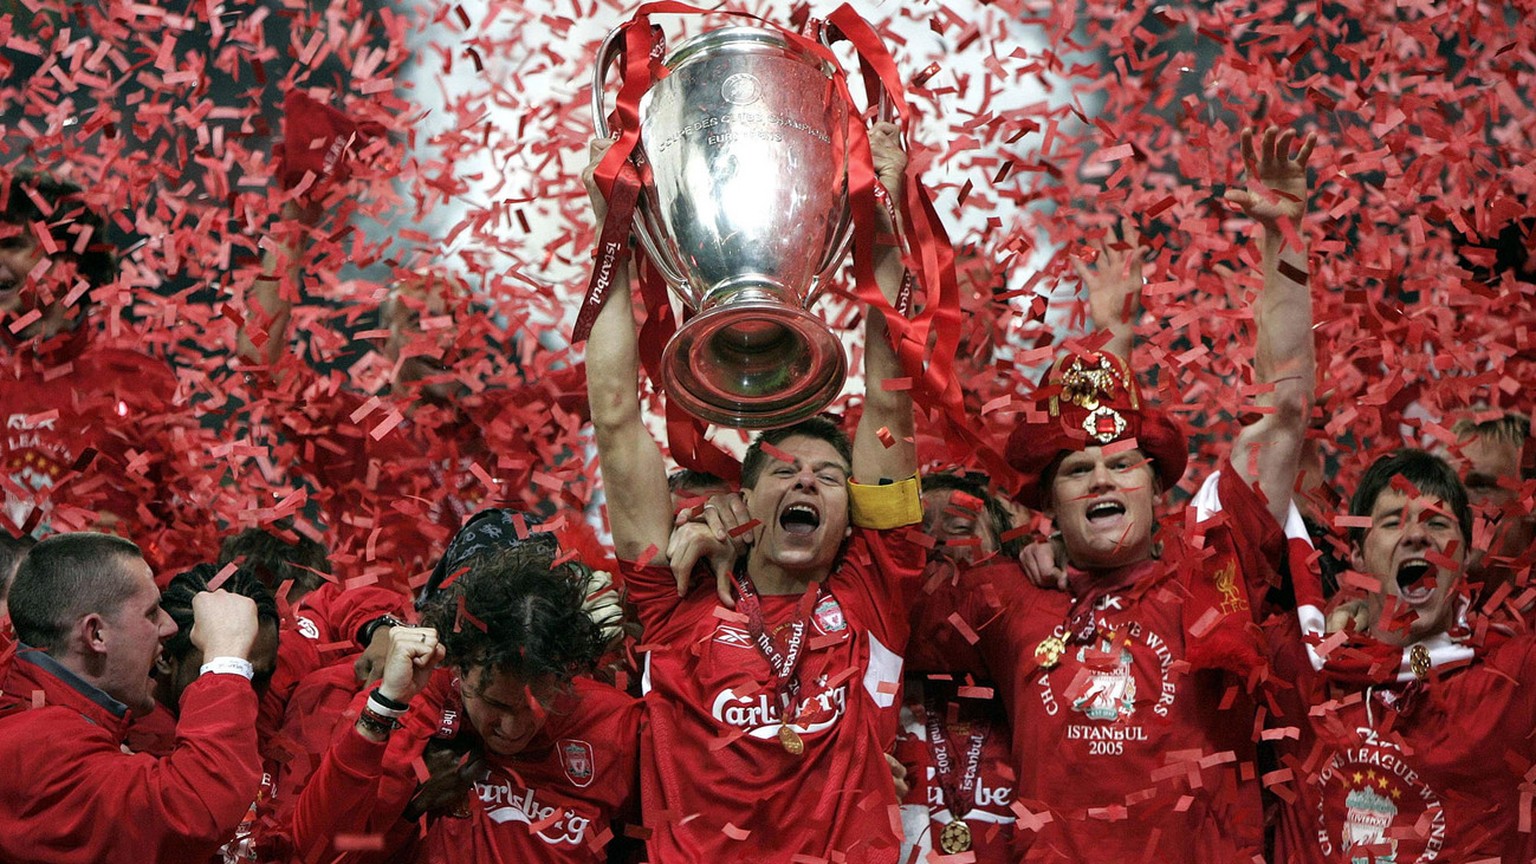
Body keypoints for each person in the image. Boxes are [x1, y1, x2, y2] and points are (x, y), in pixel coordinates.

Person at [951, 125, 1315, 862]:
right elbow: (879, 576)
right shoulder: (1006, 597)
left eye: (1122, 466)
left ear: (1158, 485)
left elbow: (1284, 410)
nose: (1102, 479)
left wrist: (1284, 242)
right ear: (1049, 507)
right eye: (1078, 473)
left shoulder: (1214, 564)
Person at [583, 119, 926, 863]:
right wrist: (609, 230)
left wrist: (888, 223)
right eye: (783, 471)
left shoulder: (876, 592)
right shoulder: (672, 601)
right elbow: (615, 420)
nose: (807, 478)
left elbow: (890, 403)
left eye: (830, 477)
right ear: (750, 501)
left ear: (852, 516)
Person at [236, 91, 590, 594]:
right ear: (385, 343)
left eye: (453, 324)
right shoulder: (355, 431)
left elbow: (611, 379)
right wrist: (295, 223)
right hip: (388, 653)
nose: (439, 339)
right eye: (418, 322)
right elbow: (259, 362)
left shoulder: (510, 422)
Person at [288, 540, 641, 863]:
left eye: (539, 703)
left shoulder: (616, 724)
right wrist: (384, 707)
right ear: (459, 664)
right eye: (495, 704)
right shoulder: (414, 697)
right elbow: (315, 852)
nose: (514, 728)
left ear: (565, 675)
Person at [1266, 449, 1536, 862]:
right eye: (1393, 522)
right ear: (1356, 554)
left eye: (1438, 523)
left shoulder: (1513, 676)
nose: (1416, 535)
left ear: (1464, 555)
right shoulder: (1304, 662)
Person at [0, 531, 265, 862]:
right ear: (96, 633)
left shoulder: (46, 721)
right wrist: (226, 659)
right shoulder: (41, 746)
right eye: (152, 612)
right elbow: (194, 810)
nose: (168, 626)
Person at [0, 172, 215, 568]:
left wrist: (133, 546)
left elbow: (195, 526)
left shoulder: (139, 380)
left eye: (11, 244)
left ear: (66, 256)